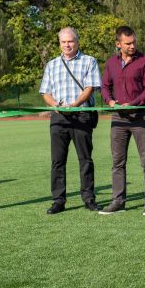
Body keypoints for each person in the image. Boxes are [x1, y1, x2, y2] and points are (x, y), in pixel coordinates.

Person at [39, 27, 101, 214]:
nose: (67, 44)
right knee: (57, 161)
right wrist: (54, 105)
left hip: (81, 114)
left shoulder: (89, 61)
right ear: (60, 43)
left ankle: (88, 198)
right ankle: (58, 200)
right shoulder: (51, 64)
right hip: (59, 117)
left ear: (77, 41)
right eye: (64, 41)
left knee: (85, 159)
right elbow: (45, 92)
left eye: (70, 41)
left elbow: (90, 87)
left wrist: (75, 104)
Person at [99, 26, 145, 215]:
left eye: (134, 42)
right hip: (118, 119)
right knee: (118, 162)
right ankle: (118, 201)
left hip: (140, 117)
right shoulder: (111, 63)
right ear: (118, 44)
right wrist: (109, 101)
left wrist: (133, 103)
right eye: (128, 43)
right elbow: (105, 86)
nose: (132, 46)